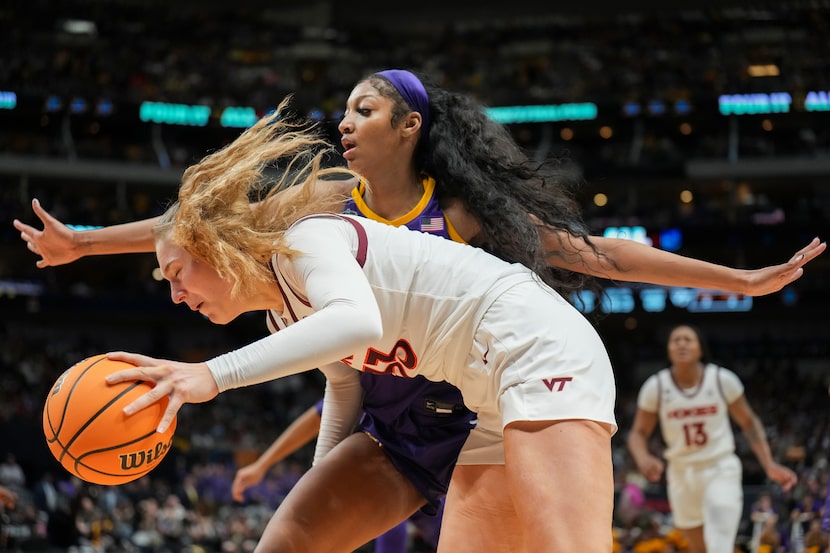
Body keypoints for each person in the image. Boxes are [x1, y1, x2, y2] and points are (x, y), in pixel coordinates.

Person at [13, 70, 825, 551]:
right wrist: (84, 243)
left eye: (363, 109)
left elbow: (593, 251)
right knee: (290, 537)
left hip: (529, 355)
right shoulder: (318, 217)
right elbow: (196, 232)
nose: (343, 121)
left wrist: (739, 281)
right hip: (436, 411)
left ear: (412, 127)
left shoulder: (321, 235)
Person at [626, 323, 798, 553]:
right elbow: (638, 433)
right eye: (675, 340)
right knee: (699, 548)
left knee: (719, 543)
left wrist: (769, 464)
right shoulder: (655, 387)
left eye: (688, 339)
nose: (681, 344)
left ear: (699, 349)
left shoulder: (721, 379)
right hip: (681, 473)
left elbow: (749, 423)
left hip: (719, 467)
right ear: (668, 350)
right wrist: (643, 457)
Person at [232, 398, 443, 553]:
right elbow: (317, 416)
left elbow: (316, 417)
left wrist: (263, 464)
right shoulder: (363, 378)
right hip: (382, 471)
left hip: (426, 470)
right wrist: (262, 464)